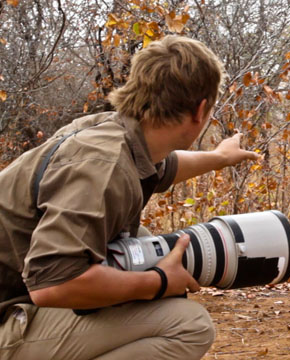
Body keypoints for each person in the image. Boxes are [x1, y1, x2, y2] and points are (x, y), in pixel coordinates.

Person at [0, 35, 260, 359]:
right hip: (11, 318)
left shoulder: (112, 133)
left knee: (141, 246)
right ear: (201, 110)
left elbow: (164, 167)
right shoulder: (103, 168)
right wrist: (159, 282)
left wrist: (220, 157)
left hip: (19, 292)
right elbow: (54, 284)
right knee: (189, 325)